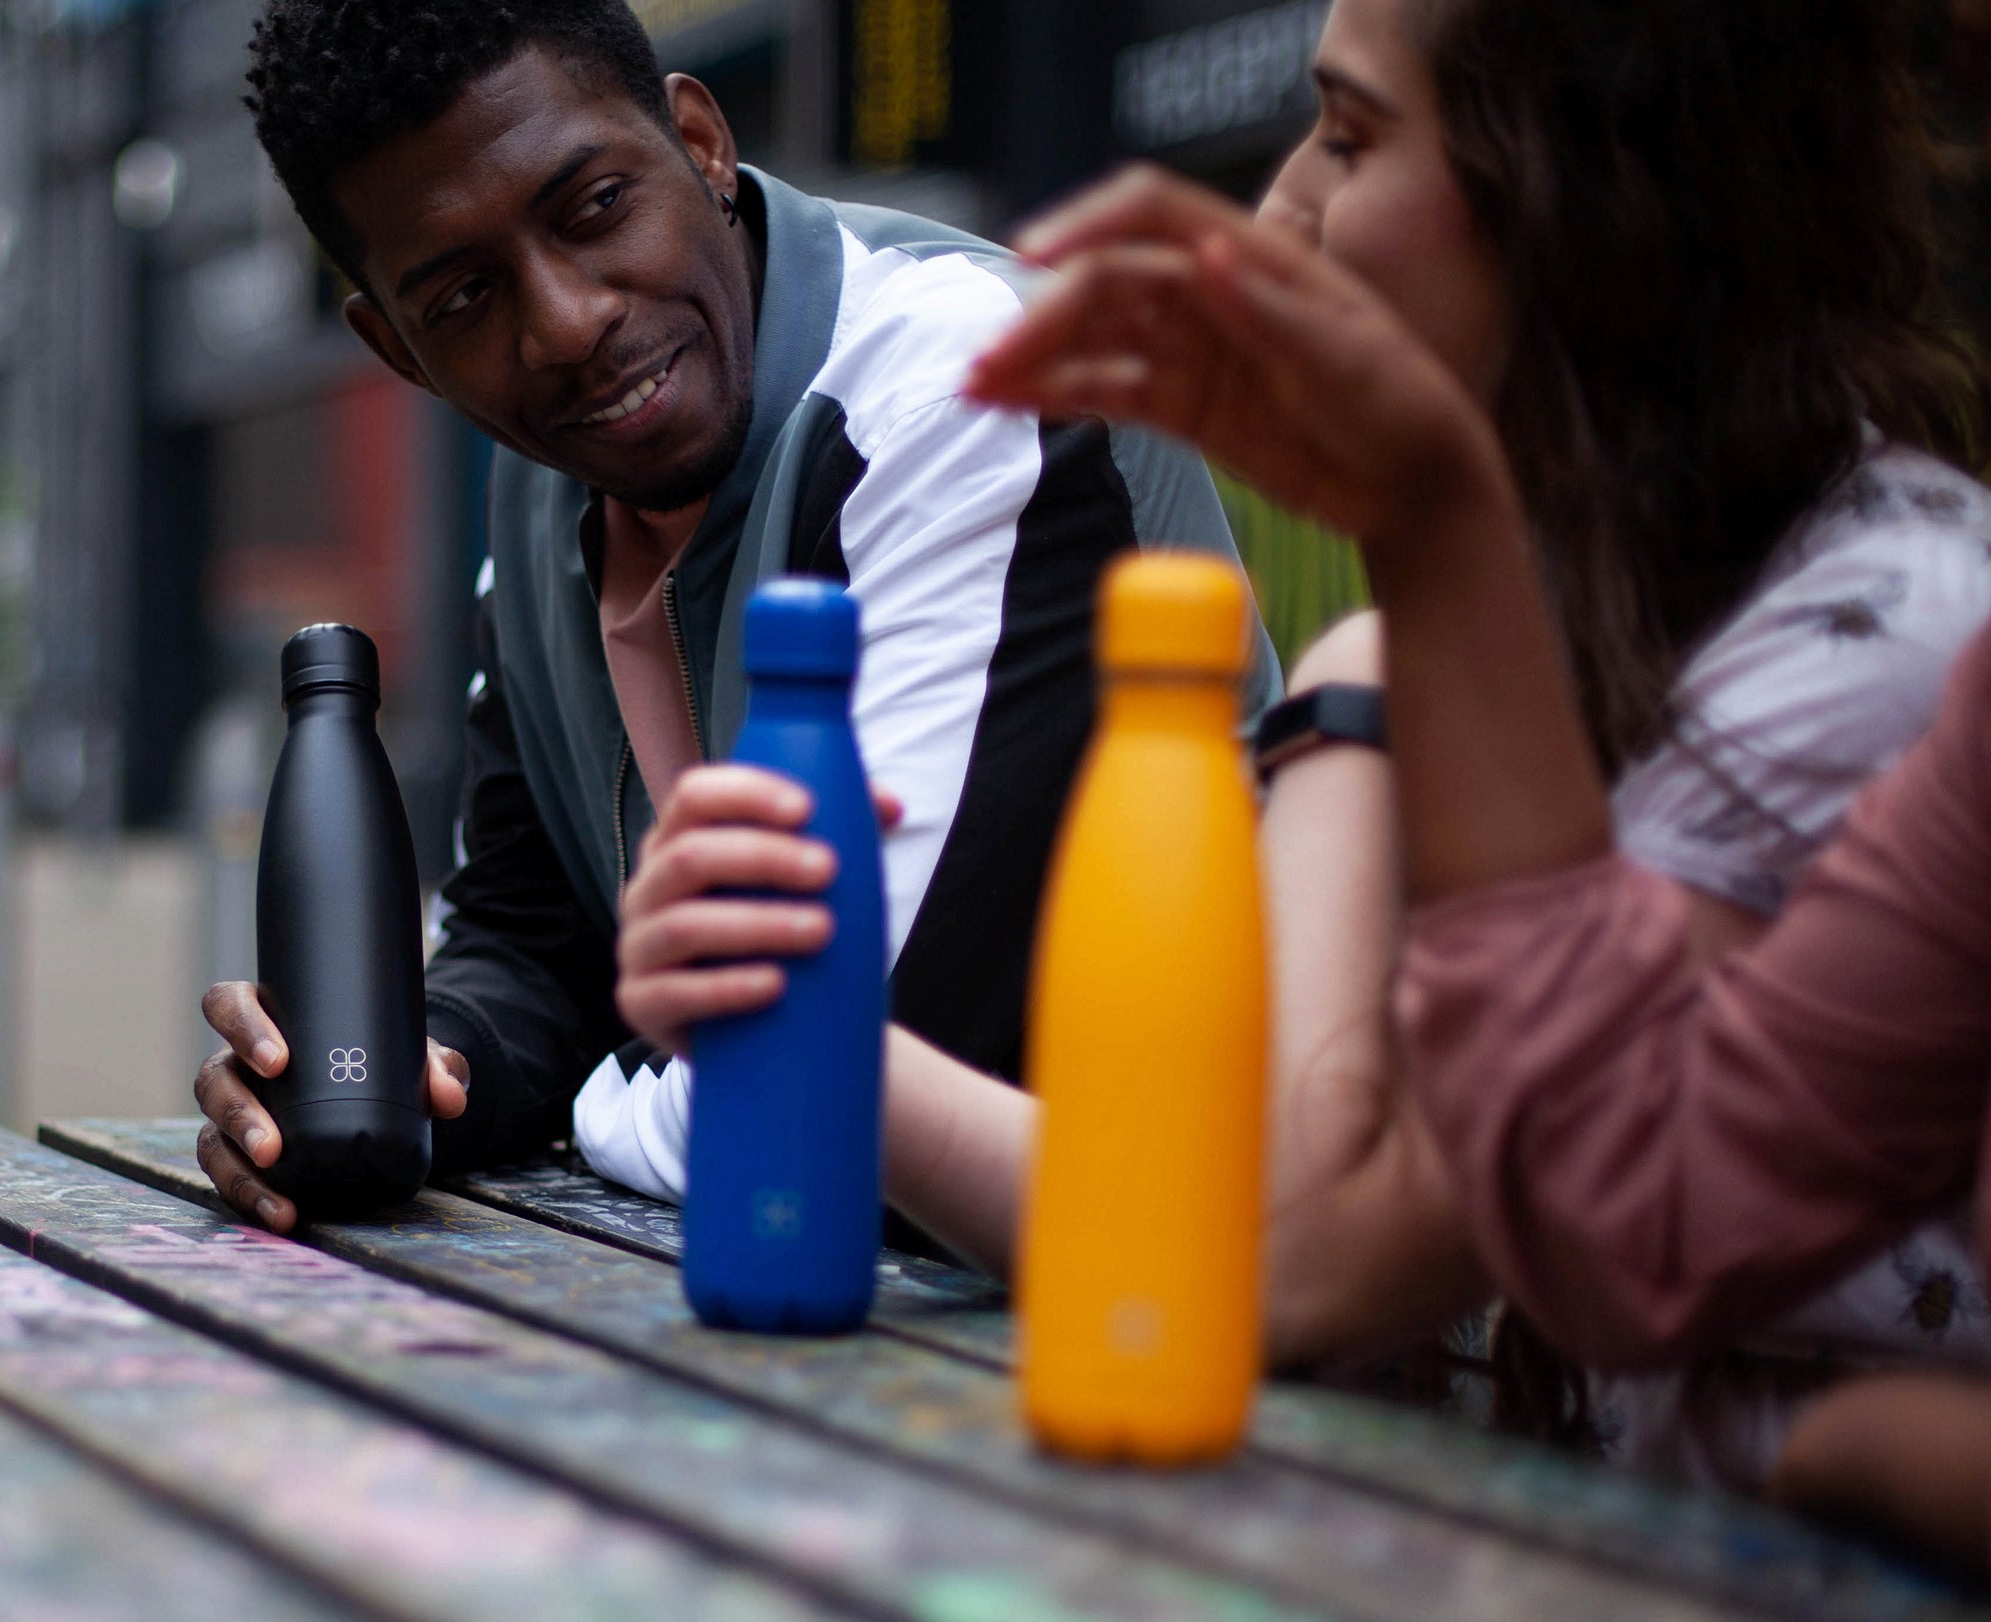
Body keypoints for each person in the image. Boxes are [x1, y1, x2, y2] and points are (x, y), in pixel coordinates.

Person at [622, 0, 1991, 1480]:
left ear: (1600, 194)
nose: (1283, 206)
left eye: (1350, 133)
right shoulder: (1418, 655)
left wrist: (1424, 545)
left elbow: (1285, 1261)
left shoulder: (1881, 641)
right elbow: (1210, 1222)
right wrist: (785, 998)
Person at [189, 0, 1274, 1233]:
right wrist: (388, 1079)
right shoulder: (546, 493)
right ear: (396, 350)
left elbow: (831, 1087)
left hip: (1175, 1279)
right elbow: (533, 935)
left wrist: (596, 1103)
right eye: (461, 301)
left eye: (593, 207)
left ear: (699, 143)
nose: (563, 323)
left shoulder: (969, 388)